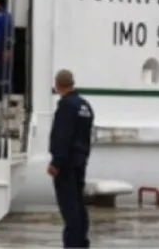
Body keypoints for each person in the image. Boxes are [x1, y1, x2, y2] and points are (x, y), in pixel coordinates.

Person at [48, 69, 94, 248]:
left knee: (69, 207)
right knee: (79, 204)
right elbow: (86, 136)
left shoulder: (66, 106)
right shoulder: (85, 106)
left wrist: (56, 162)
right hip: (80, 161)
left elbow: (62, 136)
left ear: (57, 85)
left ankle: (72, 244)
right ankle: (82, 242)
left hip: (66, 164)